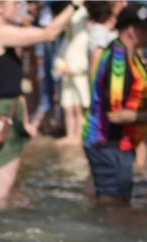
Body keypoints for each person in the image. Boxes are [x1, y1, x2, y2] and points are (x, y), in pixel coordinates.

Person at [0, 0, 82, 204]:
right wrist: (74, 5)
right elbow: (48, 34)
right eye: (14, 3)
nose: (19, 6)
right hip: (3, 115)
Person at [83, 3, 147, 204]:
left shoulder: (132, 55)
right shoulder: (118, 60)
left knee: (117, 201)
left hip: (118, 144)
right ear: (131, 31)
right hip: (108, 143)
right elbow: (115, 114)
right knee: (112, 204)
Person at [54, 3, 89, 145]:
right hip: (67, 77)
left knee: (78, 109)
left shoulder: (84, 37)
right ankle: (70, 135)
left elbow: (86, 60)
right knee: (68, 108)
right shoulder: (66, 39)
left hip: (79, 77)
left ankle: (78, 136)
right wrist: (59, 65)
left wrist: (73, 69)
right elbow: (60, 55)